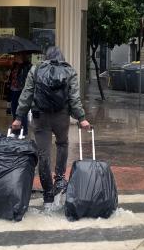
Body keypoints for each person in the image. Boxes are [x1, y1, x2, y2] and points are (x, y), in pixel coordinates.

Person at [12, 46, 90, 204]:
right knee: (62, 143)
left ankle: (47, 192)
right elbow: (74, 98)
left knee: (43, 154)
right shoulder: (70, 71)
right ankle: (60, 179)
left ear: (46, 57)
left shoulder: (36, 69)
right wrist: (81, 118)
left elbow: (26, 94)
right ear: (62, 57)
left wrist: (19, 117)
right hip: (61, 116)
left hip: (40, 116)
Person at [7, 53, 32, 136]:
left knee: (21, 111)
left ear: (21, 56)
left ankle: (24, 130)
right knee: (14, 110)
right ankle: (16, 129)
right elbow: (12, 77)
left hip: (22, 91)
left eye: (16, 56)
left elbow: (27, 79)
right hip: (13, 89)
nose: (14, 57)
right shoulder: (14, 66)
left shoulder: (27, 66)